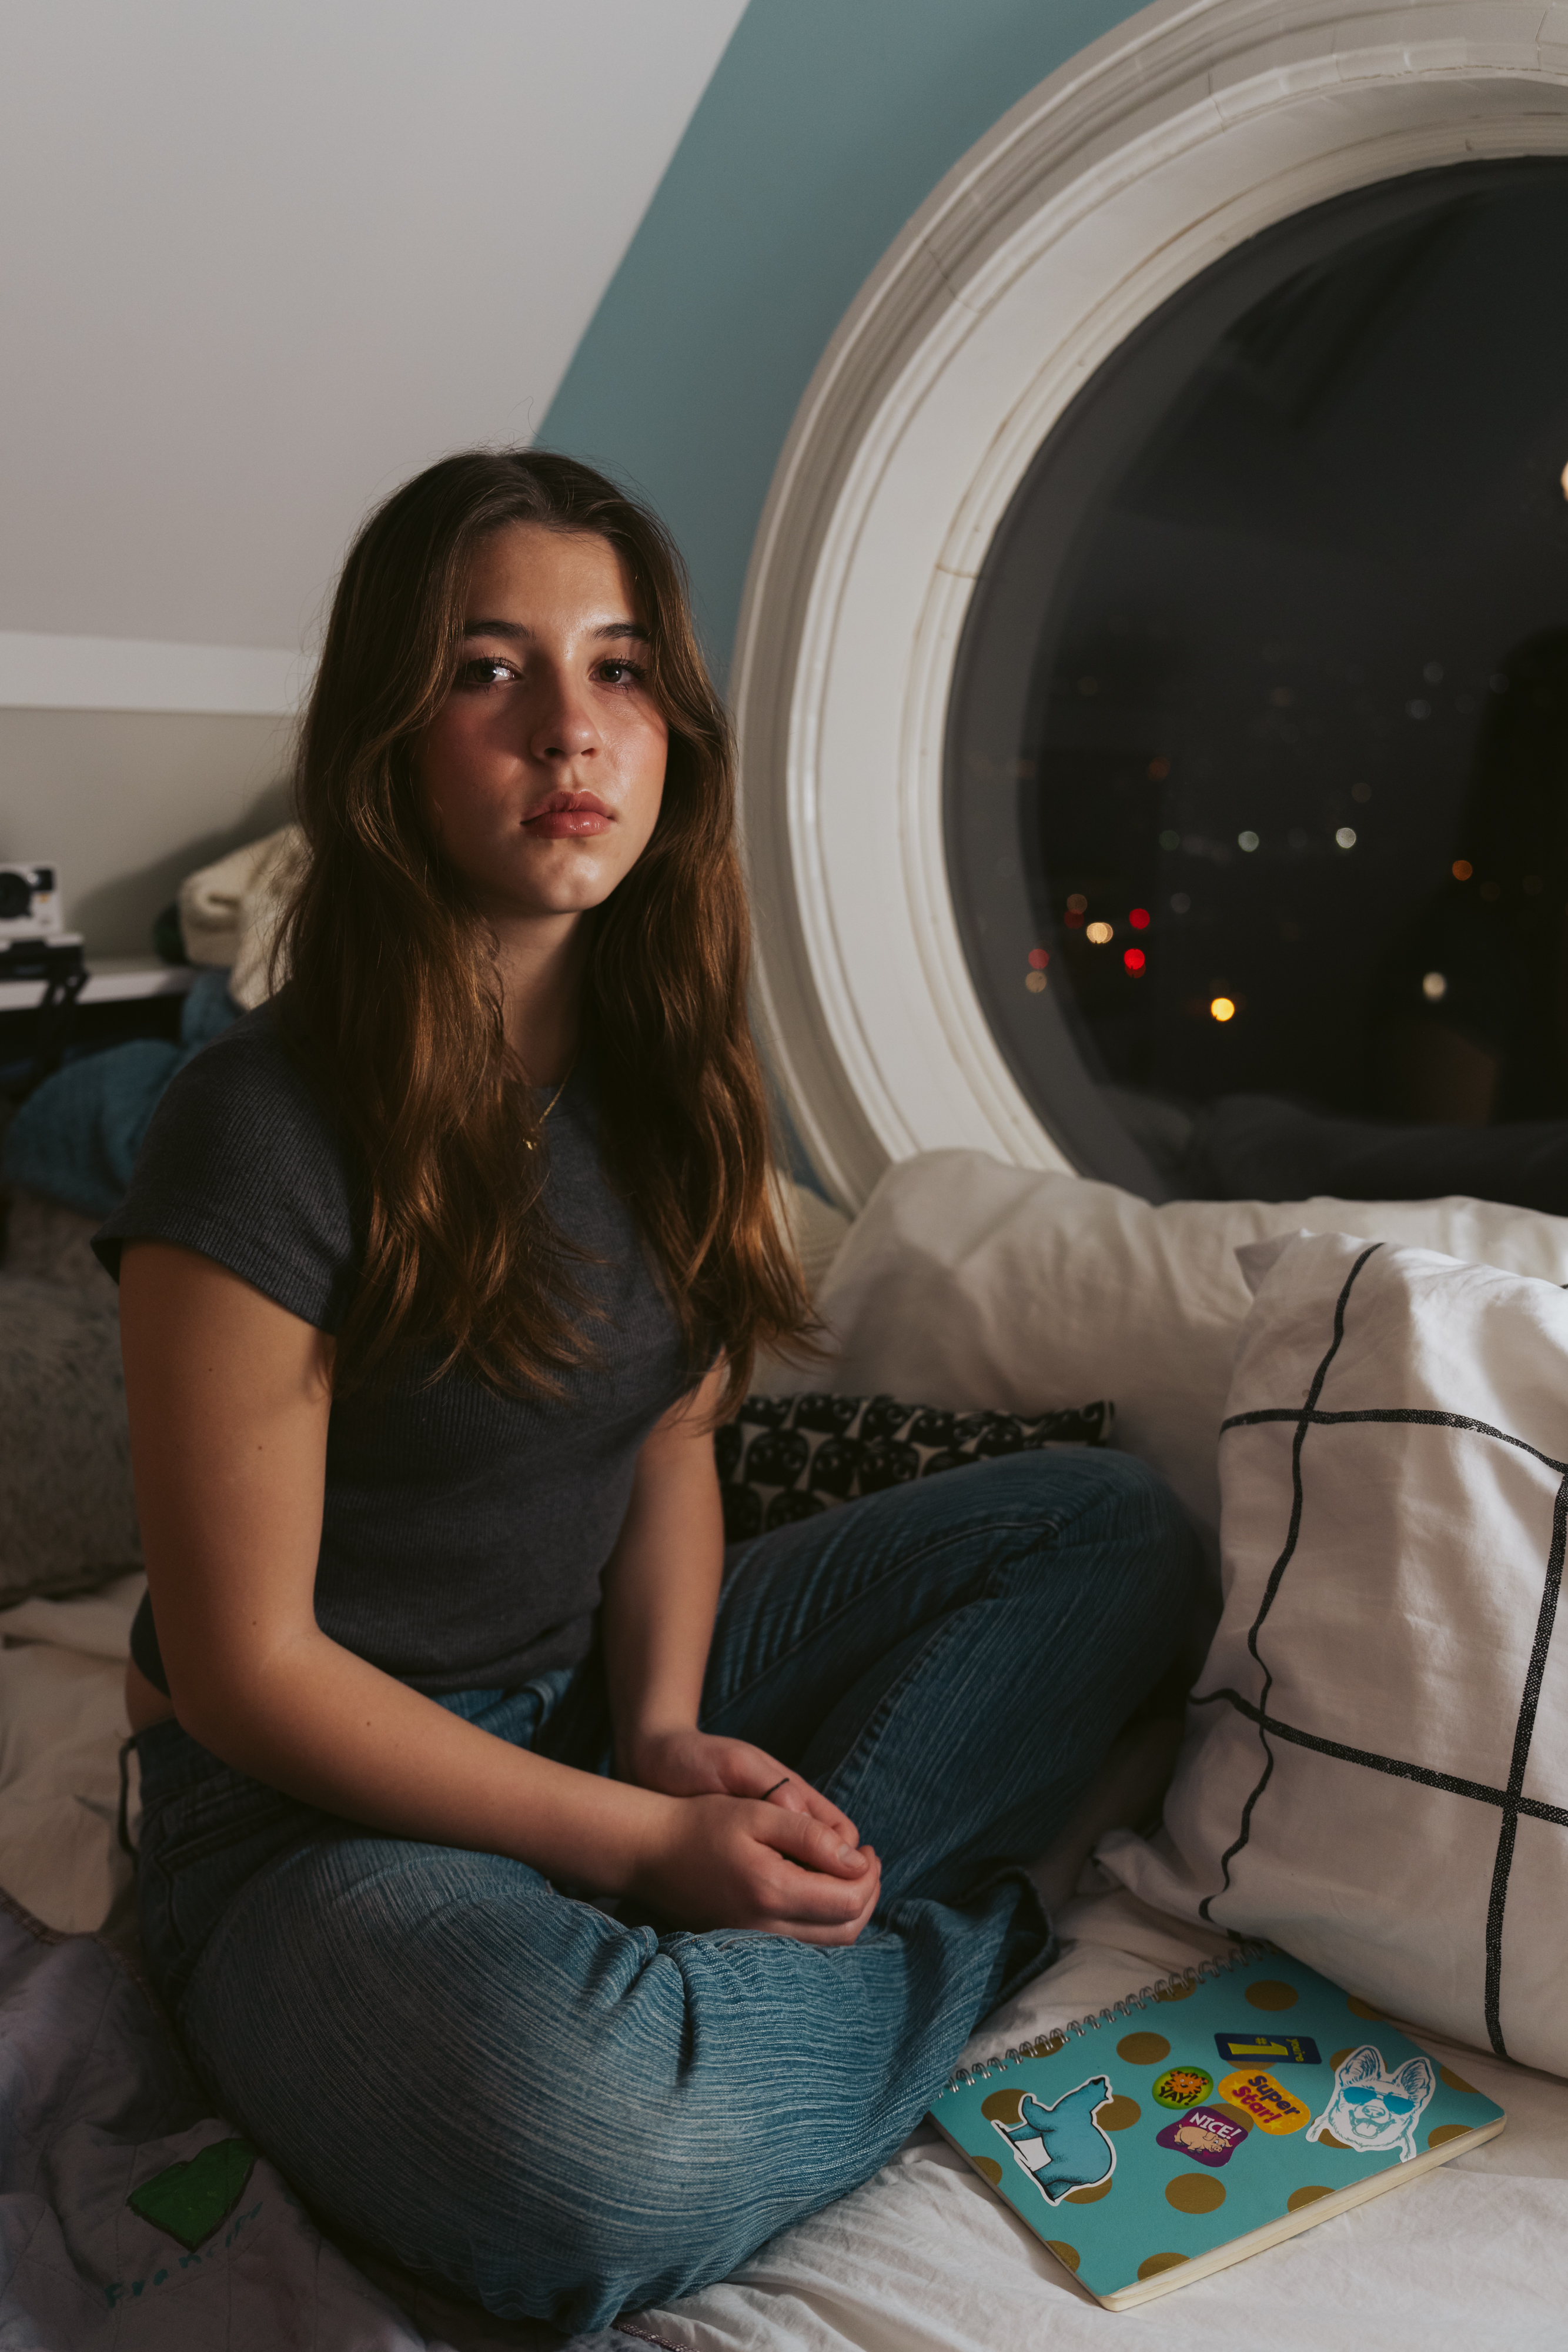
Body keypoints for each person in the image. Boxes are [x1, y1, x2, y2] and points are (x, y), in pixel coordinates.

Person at [102, 450, 1203, 2336]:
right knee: (590, 2140)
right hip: (305, 1815)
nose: (569, 732)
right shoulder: (260, 1129)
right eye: (487, 669)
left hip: (586, 1712)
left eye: (618, 671)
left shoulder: (669, 1073)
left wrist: (676, 1737)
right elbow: (248, 1674)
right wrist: (631, 1845)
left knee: (1106, 1537)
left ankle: (755, 1929)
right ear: (388, 732)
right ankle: (939, 1951)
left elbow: (674, 1435)